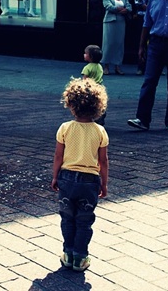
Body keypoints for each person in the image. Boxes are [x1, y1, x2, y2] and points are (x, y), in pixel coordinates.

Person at [51, 77, 109, 272]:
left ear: (71, 105)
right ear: (98, 106)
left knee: (67, 217)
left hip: (66, 178)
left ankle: (67, 254)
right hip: (89, 180)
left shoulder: (65, 128)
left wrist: (55, 176)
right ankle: (80, 258)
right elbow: (103, 161)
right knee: (84, 220)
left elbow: (58, 156)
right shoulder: (100, 131)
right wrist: (104, 184)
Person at [128, 0, 168, 132]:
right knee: (149, 82)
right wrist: (141, 46)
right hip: (155, 44)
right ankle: (142, 119)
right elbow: (147, 24)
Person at [101, 0, 132, 75]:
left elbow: (129, 7)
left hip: (121, 22)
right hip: (110, 22)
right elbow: (108, 6)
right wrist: (120, 9)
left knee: (119, 44)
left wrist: (126, 10)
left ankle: (117, 66)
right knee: (108, 43)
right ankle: (106, 66)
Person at [134, 0, 156, 75]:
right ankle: (140, 67)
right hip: (141, 18)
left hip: (153, 19)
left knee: (153, 42)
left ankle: (155, 66)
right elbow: (139, 4)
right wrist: (150, 7)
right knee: (141, 43)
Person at [81, 45, 105, 125]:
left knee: (89, 104)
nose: (84, 55)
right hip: (98, 88)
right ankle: (100, 116)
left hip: (89, 89)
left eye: (85, 53)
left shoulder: (87, 68)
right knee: (97, 103)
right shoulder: (100, 67)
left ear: (90, 56)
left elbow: (85, 79)